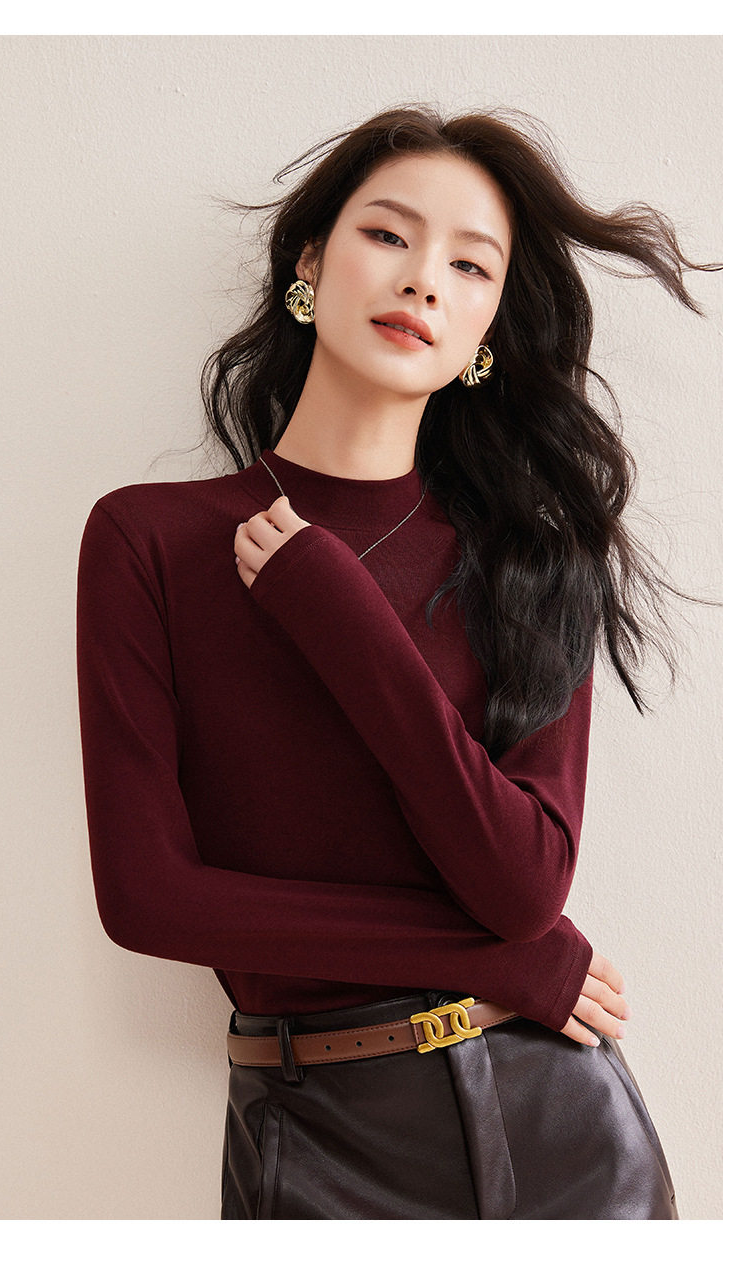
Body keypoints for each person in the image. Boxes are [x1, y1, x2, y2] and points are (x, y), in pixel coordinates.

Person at [76, 106, 718, 1219]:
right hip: (311, 1133)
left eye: (470, 265)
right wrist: (501, 960)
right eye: (387, 235)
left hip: (559, 1124)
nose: (423, 278)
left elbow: (524, 884)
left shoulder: (533, 561)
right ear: (309, 264)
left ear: (486, 329)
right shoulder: (148, 539)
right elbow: (149, 900)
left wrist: (342, 618)